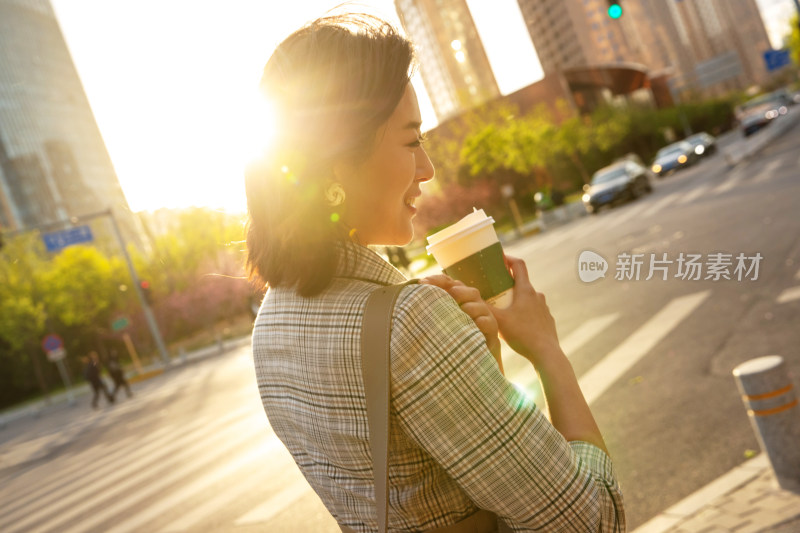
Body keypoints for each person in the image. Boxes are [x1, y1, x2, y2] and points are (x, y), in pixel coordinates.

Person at [246, 14, 625, 532]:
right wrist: (546, 350)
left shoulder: (271, 323)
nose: (427, 168)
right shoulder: (411, 322)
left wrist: (471, 356)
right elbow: (591, 521)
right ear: (337, 162)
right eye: (410, 141)